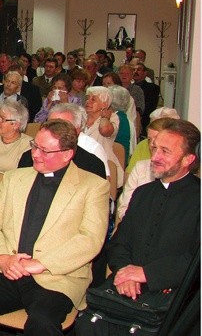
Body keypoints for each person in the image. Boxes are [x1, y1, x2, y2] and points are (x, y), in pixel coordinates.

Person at [0, 120, 109, 335]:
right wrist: (2, 258)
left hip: (57, 277)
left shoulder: (93, 186)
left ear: (67, 154)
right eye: (35, 146)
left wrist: (41, 263)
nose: (36, 154)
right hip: (6, 269)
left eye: (45, 151)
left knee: (42, 322)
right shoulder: (14, 178)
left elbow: (90, 239)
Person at [77, 119, 200, 334]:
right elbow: (118, 243)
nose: (155, 157)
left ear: (188, 159)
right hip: (127, 284)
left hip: (172, 289)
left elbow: (195, 260)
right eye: (154, 148)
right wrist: (124, 272)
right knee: (87, 325)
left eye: (165, 151)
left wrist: (146, 274)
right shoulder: (144, 193)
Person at [19, 103, 108, 180]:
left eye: (61, 127)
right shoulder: (29, 158)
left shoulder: (92, 164)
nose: (52, 130)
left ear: (77, 129)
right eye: (50, 124)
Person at [85, 86, 123, 187]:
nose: (88, 101)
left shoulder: (112, 118)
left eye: (93, 99)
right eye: (88, 98)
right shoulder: (81, 115)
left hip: (102, 166)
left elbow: (105, 131)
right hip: (81, 163)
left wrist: (105, 117)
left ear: (104, 104)